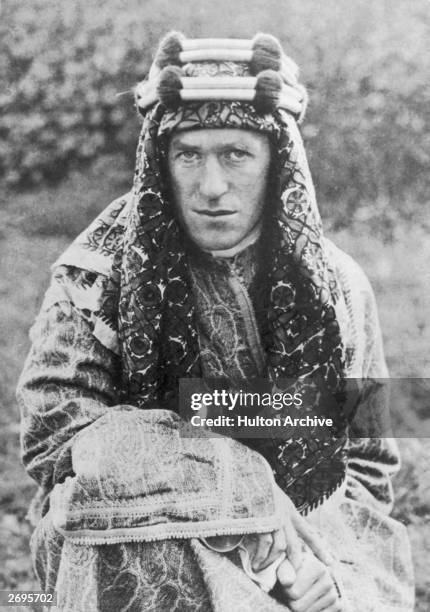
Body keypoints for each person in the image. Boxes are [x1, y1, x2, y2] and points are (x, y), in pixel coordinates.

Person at [17, 32, 414, 611]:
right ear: (161, 160)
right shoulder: (99, 274)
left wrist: (317, 568)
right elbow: (58, 433)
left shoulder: (337, 286)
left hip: (306, 538)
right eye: (189, 155)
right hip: (143, 530)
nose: (211, 187)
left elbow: (366, 465)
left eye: (235, 154)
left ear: (276, 162)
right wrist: (238, 486)